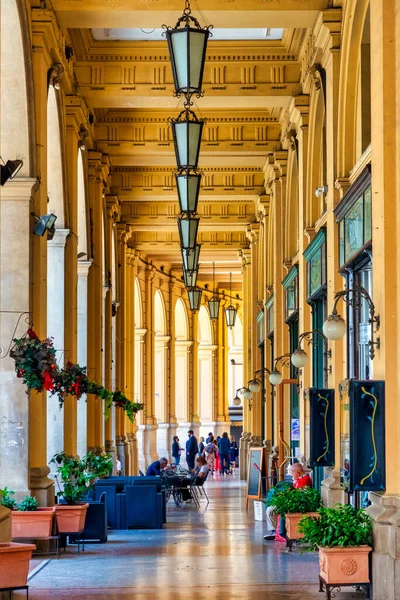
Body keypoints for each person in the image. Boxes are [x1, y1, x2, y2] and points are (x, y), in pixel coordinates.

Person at [263, 464, 312, 540]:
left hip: (295, 504)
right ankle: (274, 530)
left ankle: (276, 531)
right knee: (270, 507)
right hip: (292, 501)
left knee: (270, 510)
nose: (292, 474)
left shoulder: (305, 480)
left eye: (293, 472)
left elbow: (298, 494)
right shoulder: (300, 478)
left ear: (297, 472)